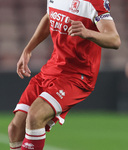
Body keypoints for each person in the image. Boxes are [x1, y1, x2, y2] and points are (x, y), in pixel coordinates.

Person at [8, 0, 121, 149]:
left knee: (36, 115)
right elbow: (49, 17)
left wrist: (88, 33)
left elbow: (114, 40)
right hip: (52, 68)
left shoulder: (94, 2)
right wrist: (28, 49)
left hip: (78, 75)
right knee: (15, 128)